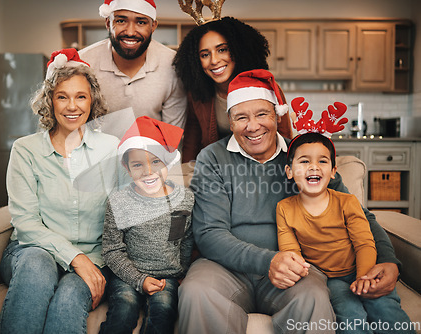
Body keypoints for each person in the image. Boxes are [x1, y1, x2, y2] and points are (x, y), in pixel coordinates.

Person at [178, 69, 401, 334]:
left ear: (276, 114)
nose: (252, 126)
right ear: (230, 121)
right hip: (224, 267)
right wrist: (268, 261)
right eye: (241, 118)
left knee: (314, 297)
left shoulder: (306, 157)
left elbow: (357, 215)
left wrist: (388, 260)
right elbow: (209, 233)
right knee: (195, 291)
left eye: (262, 114)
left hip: (298, 265)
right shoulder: (212, 158)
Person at [0, 49, 123, 334]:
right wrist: (74, 257)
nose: (72, 106)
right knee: (38, 266)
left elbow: (124, 213)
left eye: (81, 96)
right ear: (49, 100)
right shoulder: (25, 150)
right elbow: (26, 223)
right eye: (62, 96)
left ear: (93, 101)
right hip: (31, 251)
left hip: (93, 255)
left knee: (69, 298)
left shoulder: (112, 148)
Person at [277, 132, 414, 333]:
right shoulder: (284, 209)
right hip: (330, 280)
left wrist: (364, 279)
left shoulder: (347, 202)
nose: (314, 166)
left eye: (322, 161)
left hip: (364, 269)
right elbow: (291, 251)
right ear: (289, 171)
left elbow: (364, 243)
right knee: (350, 316)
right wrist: (300, 271)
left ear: (333, 172)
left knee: (386, 310)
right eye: (305, 161)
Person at [99, 116, 194, 334]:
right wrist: (139, 280)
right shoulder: (119, 202)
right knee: (124, 308)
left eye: (156, 161)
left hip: (166, 276)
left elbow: (185, 238)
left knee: (163, 312)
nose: (148, 171)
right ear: (127, 167)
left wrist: (183, 271)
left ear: (168, 162)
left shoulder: (185, 200)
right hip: (127, 274)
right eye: (138, 164)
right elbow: (112, 250)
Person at [173, 16, 293, 162]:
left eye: (222, 50)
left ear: (239, 49)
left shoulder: (266, 89)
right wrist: (185, 173)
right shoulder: (198, 93)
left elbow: (284, 136)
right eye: (205, 55)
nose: (214, 60)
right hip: (218, 170)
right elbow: (193, 137)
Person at [78, 0, 187, 137]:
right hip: (97, 156)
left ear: (153, 26)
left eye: (141, 22)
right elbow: (75, 127)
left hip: (152, 155)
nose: (130, 32)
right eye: (121, 21)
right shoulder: (83, 63)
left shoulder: (174, 65)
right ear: (108, 23)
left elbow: (170, 136)